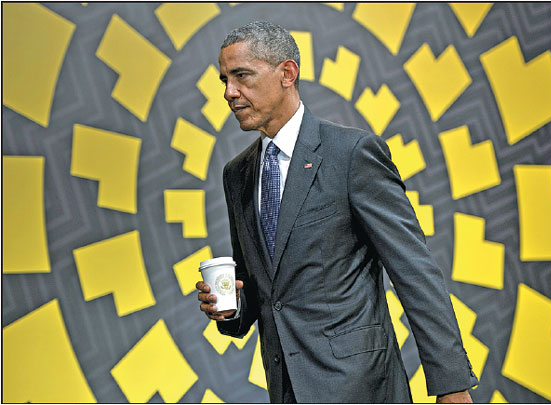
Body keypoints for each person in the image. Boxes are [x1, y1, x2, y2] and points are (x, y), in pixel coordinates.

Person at [197, 21, 478, 403]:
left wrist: (451, 386)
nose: (230, 92)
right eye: (224, 80)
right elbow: (263, 291)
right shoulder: (237, 175)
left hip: (361, 388)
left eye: (241, 76)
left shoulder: (352, 154)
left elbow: (415, 273)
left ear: (287, 74)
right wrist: (229, 308)